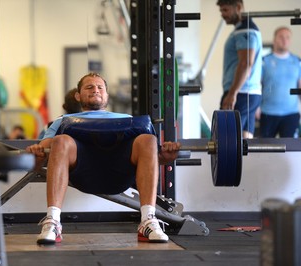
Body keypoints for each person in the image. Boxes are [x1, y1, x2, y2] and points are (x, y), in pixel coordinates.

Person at [26, 72, 181, 245]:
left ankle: (148, 221)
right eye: (89, 87)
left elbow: (151, 158)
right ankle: (53, 222)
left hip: (121, 174)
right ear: (78, 95)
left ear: (106, 94)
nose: (95, 90)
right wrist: (36, 153)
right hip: (83, 174)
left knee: (148, 139)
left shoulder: (127, 119)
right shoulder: (64, 121)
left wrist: (166, 158)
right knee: (61, 140)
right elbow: (43, 154)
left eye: (100, 87)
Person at [217, 0, 263, 138]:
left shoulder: (245, 29)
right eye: (221, 11)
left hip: (241, 93)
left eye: (225, 10)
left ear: (238, 7)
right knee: (244, 142)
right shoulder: (245, 28)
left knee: (227, 142)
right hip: (248, 93)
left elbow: (246, 63)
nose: (222, 15)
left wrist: (232, 94)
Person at [258, 26, 301, 138]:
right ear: (274, 39)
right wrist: (255, 107)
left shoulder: (297, 61)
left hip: (291, 114)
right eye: (281, 37)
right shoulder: (264, 61)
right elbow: (257, 86)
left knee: (291, 151)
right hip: (268, 113)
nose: (284, 40)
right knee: (265, 150)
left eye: (287, 37)